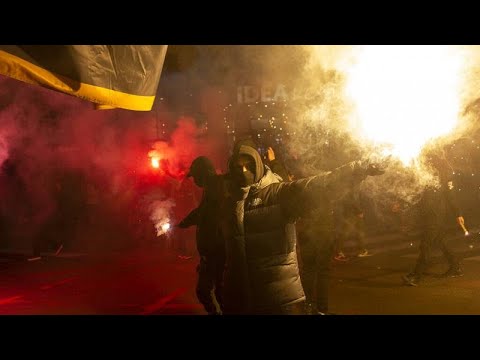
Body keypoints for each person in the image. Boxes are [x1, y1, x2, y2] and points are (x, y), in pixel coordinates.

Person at [222, 143, 387, 314]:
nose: (243, 172)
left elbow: (321, 186)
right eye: (238, 167)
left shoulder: (278, 194)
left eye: (249, 166)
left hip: (276, 299)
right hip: (239, 301)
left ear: (258, 165)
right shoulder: (229, 201)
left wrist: (360, 168)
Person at [177, 156, 227, 315]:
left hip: (217, 252)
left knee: (217, 292)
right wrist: (185, 222)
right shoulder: (211, 186)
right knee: (209, 292)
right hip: (211, 253)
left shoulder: (215, 185)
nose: (194, 180)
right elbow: (203, 212)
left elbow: (209, 215)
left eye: (195, 176)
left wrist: (187, 221)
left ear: (202, 173)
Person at [402, 176, 464, 287]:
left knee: (426, 245)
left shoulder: (444, 172)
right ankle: (455, 267)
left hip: (436, 216)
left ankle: (416, 276)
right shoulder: (424, 167)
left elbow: (451, 196)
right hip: (429, 215)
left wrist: (458, 213)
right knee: (441, 242)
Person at [334, 188, 370, 260]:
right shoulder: (350, 190)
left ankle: (363, 250)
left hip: (353, 215)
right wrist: (359, 211)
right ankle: (338, 253)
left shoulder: (350, 190)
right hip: (352, 215)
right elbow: (353, 202)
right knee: (346, 233)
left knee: (359, 232)